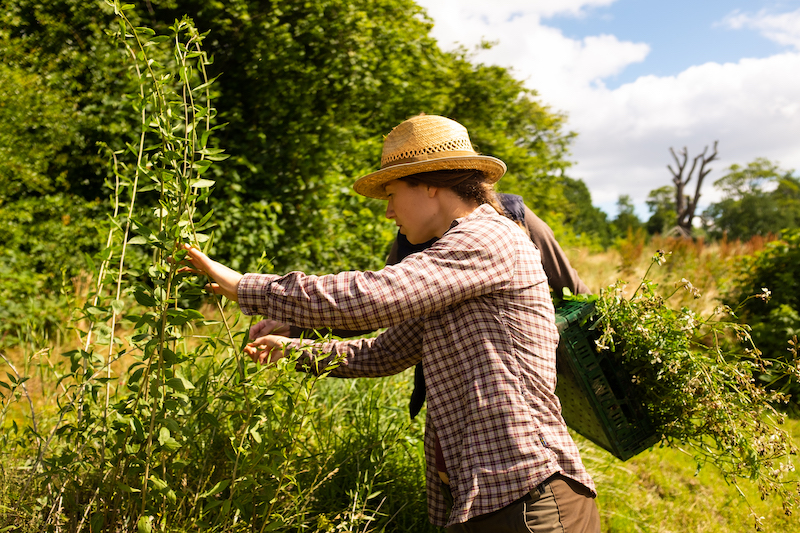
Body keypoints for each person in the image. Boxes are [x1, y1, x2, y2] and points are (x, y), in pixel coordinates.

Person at [180, 114, 600, 531]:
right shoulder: (451, 266)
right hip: (483, 499)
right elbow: (384, 352)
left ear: (431, 182)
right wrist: (292, 351)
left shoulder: (488, 238)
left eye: (392, 192)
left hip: (531, 500)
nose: (388, 212)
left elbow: (372, 296)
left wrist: (244, 286)